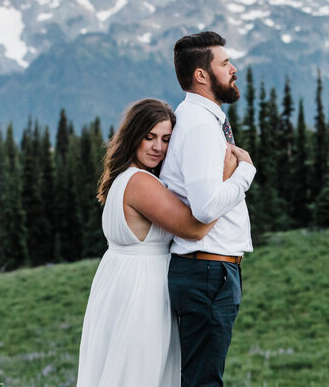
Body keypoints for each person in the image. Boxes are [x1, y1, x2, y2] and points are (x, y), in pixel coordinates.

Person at [76, 98, 253, 387]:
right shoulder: (140, 183)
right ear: (133, 136)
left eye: (166, 139)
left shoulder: (125, 178)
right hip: (141, 291)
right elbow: (195, 229)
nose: (158, 147)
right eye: (150, 137)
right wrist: (231, 176)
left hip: (121, 283)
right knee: (141, 372)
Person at [160, 31, 256, 386]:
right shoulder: (200, 126)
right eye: (225, 62)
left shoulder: (201, 119)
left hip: (209, 271)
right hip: (208, 272)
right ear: (202, 75)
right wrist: (246, 172)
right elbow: (205, 207)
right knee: (204, 380)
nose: (234, 68)